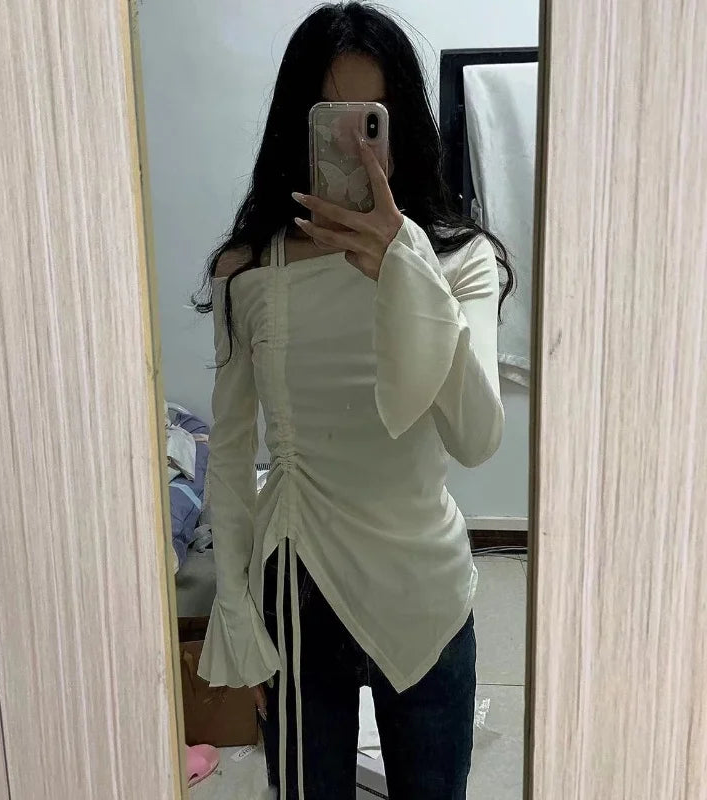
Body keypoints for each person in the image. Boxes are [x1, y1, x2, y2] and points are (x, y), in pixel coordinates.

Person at [193, 3, 513, 798]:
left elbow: (475, 436)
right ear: (295, 128)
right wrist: (236, 615)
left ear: (405, 126)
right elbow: (229, 454)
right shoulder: (249, 269)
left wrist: (409, 269)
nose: (355, 149)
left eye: (372, 121)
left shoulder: (460, 260)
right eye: (332, 122)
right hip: (298, 593)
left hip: (426, 590)